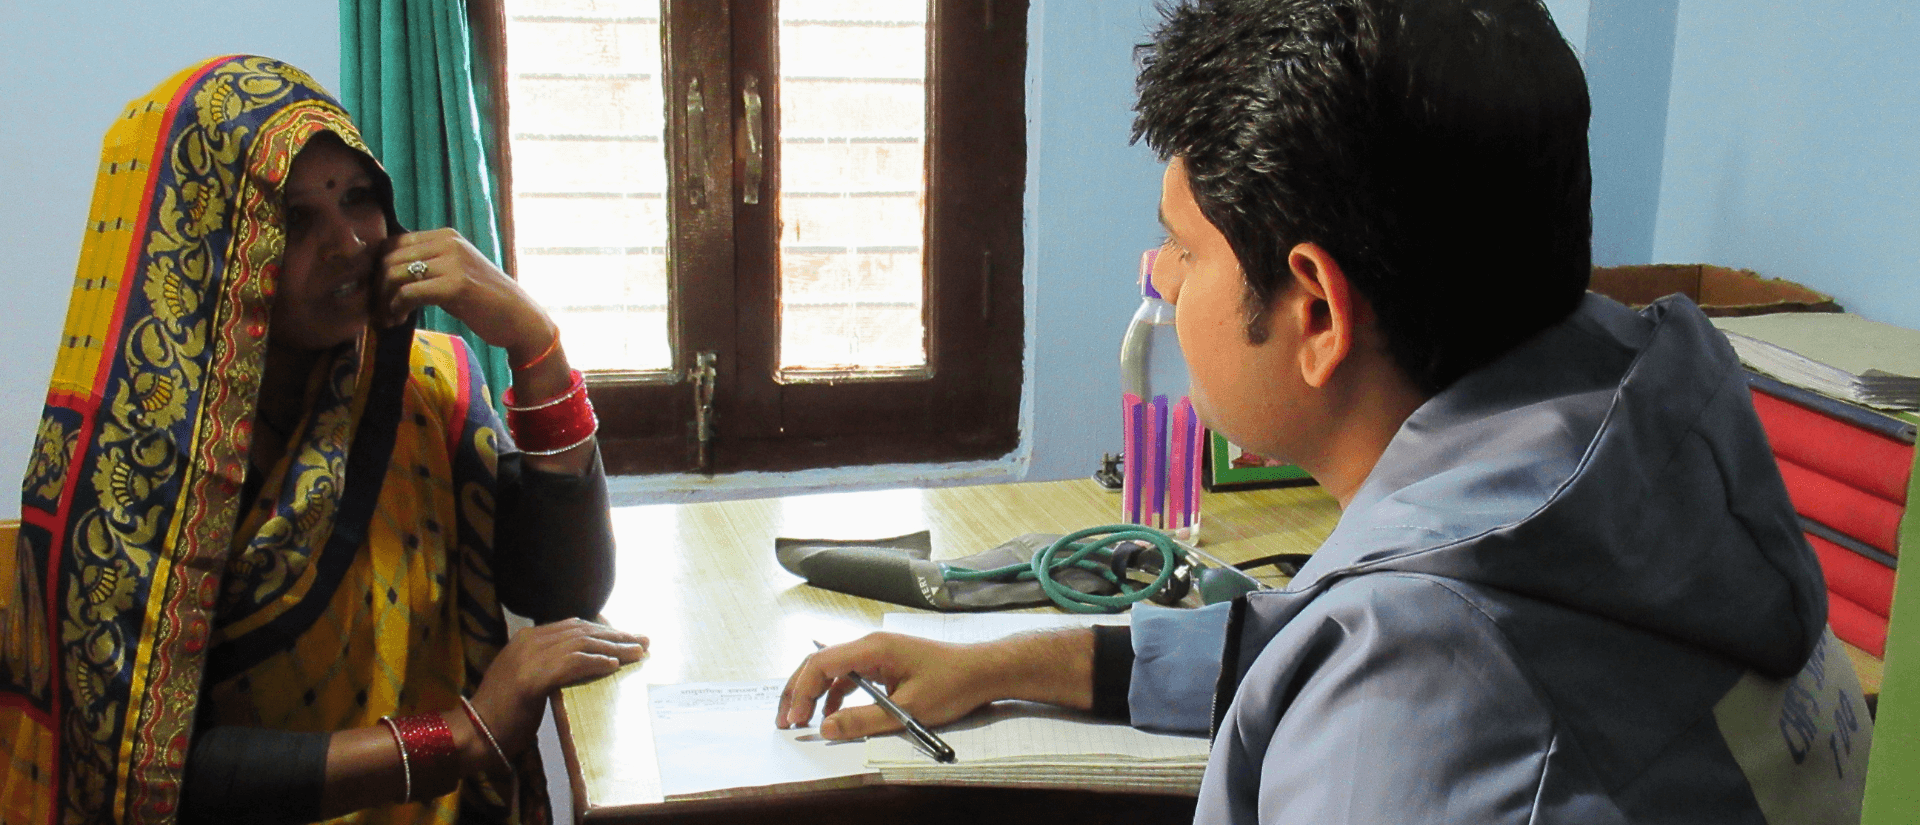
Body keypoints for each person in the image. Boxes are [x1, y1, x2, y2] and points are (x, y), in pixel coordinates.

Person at [779, 0, 1874, 822]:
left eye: (1186, 246)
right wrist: (1005, 665)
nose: (1159, 275)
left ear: (1315, 309)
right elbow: (1316, 633)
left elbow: (1398, 660)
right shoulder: (1644, 431)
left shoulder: (1417, 716)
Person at [0, 55, 646, 825]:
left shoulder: (426, 385)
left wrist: (536, 344)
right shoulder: (123, 470)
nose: (347, 244)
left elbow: (563, 593)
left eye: (360, 200)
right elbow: (145, 775)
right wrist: (460, 738)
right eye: (293, 217)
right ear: (202, 247)